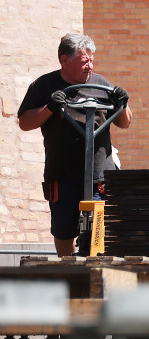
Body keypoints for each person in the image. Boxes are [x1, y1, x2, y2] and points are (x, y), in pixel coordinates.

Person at [17, 34, 133, 256]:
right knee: (63, 229)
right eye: (83, 62)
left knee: (97, 227)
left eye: (91, 60)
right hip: (62, 173)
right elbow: (24, 122)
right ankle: (67, 269)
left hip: (99, 174)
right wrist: (50, 107)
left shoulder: (102, 85)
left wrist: (123, 104)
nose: (89, 66)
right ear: (65, 60)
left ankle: (94, 267)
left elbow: (125, 122)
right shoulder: (44, 85)